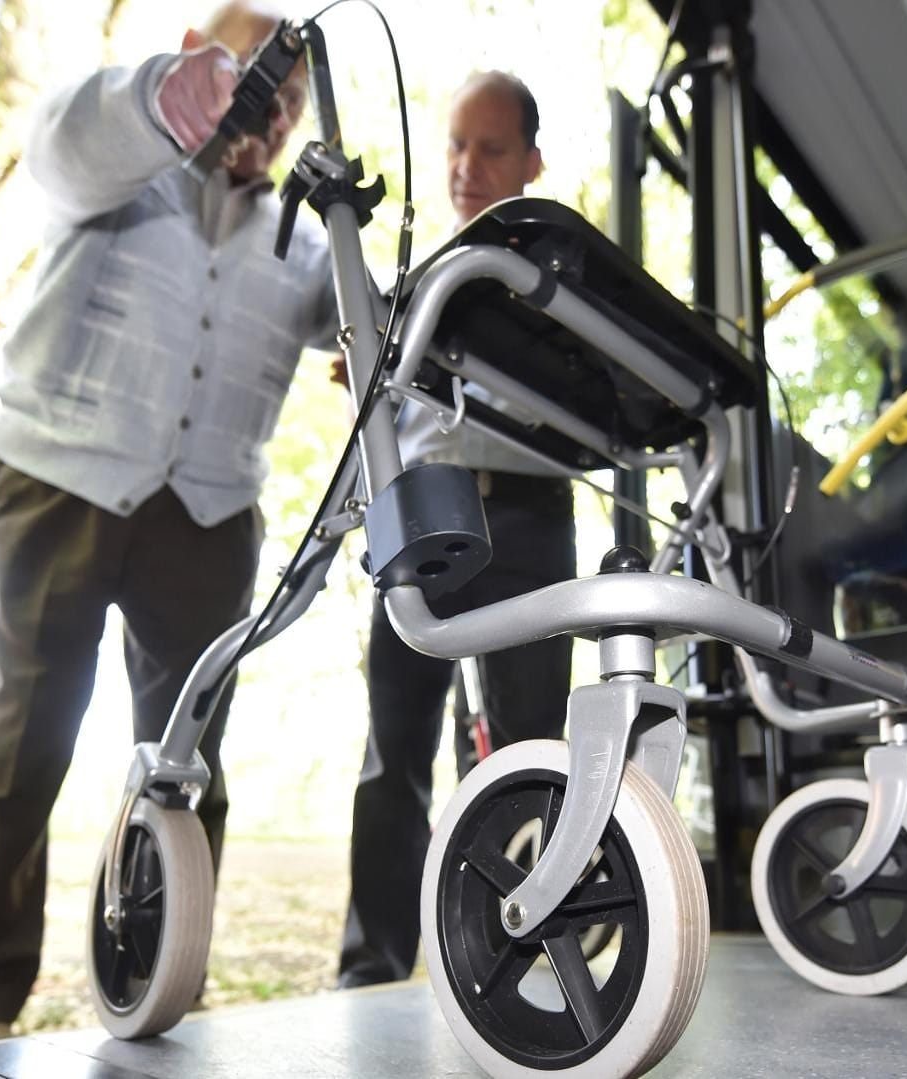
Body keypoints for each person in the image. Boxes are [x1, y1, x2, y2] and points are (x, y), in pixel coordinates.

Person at [0, 1, 334, 1047]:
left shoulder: (299, 234)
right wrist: (170, 98)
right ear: (201, 59)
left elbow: (360, 318)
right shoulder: (121, 154)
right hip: (60, 477)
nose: (274, 112)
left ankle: (155, 986)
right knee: (22, 739)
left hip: (207, 511)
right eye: (258, 81)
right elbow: (66, 140)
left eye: (290, 100)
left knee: (188, 761)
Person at [337, 70, 577, 988]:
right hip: (421, 508)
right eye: (456, 146)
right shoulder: (404, 291)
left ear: (532, 162)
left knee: (529, 748)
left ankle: (515, 958)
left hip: (527, 512)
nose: (467, 166)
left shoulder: (560, 286)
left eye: (491, 149)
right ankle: (372, 966)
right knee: (393, 751)